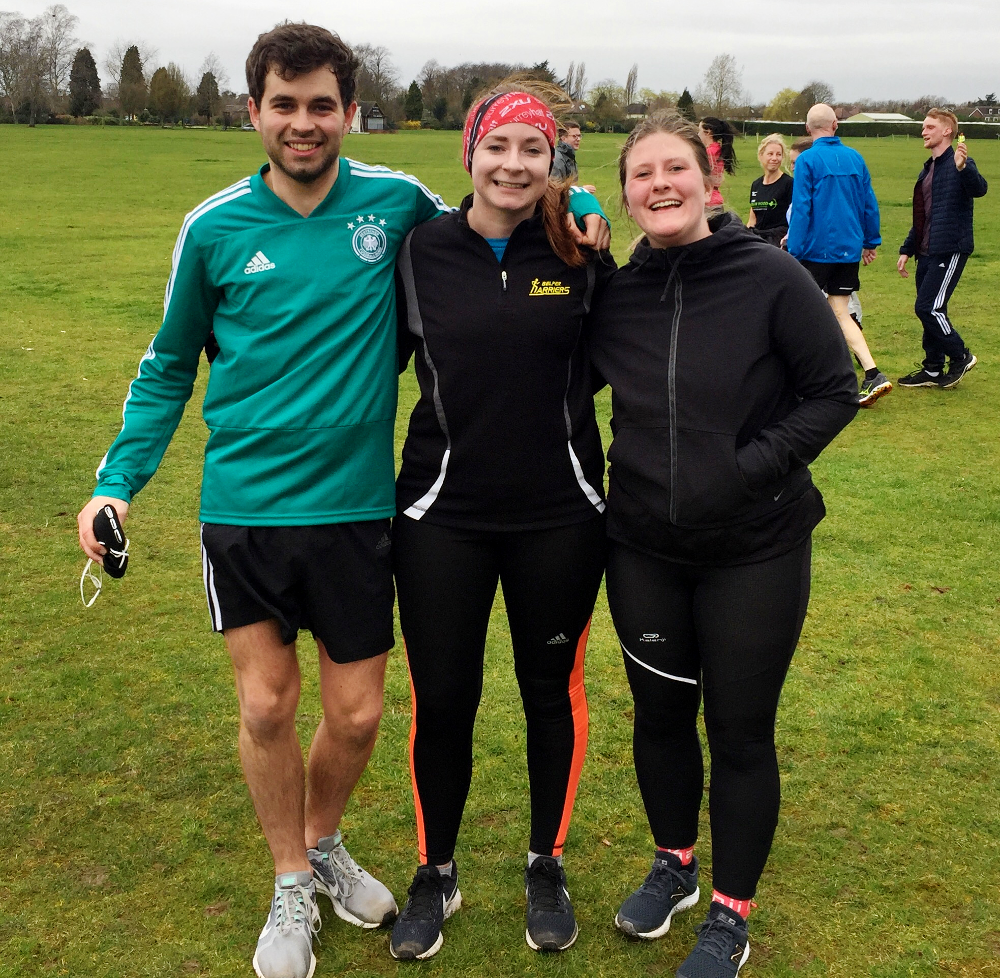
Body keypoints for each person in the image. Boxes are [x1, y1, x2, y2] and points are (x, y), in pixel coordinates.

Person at [588, 111, 858, 978]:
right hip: (642, 546)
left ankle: (731, 916)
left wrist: (747, 469)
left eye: (676, 169)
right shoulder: (616, 290)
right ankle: (674, 864)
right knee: (661, 717)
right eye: (642, 175)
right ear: (626, 192)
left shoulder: (771, 275)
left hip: (755, 547)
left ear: (709, 179)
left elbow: (832, 392)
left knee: (739, 731)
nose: (659, 186)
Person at [388, 87, 612, 961]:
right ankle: (435, 872)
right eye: (498, 146)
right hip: (441, 516)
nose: (513, 163)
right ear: (469, 154)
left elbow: (622, 358)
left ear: (553, 162)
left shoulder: (580, 252)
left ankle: (545, 864)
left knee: (549, 692)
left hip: (560, 515)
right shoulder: (419, 252)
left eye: (534, 149)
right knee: (443, 700)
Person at [786, 103, 891, 408]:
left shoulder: (807, 161)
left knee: (798, 314)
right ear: (835, 125)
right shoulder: (856, 158)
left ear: (808, 129)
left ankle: (806, 381)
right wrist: (871, 241)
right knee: (840, 312)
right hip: (848, 251)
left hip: (815, 251)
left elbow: (803, 208)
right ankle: (872, 372)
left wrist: (794, 251)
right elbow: (869, 203)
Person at [897, 108, 987, 389]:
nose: (924, 131)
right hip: (926, 250)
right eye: (923, 127)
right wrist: (907, 249)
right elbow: (924, 215)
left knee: (928, 308)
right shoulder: (929, 168)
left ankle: (961, 355)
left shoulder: (959, 163)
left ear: (947, 131)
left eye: (930, 127)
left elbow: (980, 188)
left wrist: (964, 166)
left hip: (950, 247)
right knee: (934, 307)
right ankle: (933, 368)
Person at [747, 133, 793, 246]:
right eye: (770, 154)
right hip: (757, 239)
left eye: (778, 154)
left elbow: (794, 217)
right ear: (761, 155)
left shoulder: (789, 183)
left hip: (777, 241)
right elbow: (752, 219)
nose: (774, 158)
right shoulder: (756, 185)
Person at [698, 117, 737, 208]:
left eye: (699, 131)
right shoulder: (718, 150)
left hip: (707, 201)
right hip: (716, 199)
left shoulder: (709, 153)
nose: (698, 134)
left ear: (708, 132)